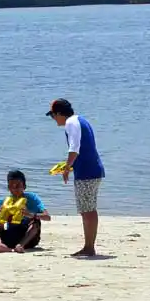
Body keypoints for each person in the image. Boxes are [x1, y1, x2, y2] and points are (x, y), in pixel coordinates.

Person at [47, 98, 106, 257]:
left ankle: (89, 247)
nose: (54, 120)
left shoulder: (70, 123)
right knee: (88, 209)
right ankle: (89, 246)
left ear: (59, 113)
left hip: (87, 172)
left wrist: (67, 168)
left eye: (53, 116)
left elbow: (74, 148)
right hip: (92, 169)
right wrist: (69, 165)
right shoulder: (80, 120)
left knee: (87, 210)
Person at [0, 169, 50, 254]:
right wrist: (1, 219)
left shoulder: (32, 198)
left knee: (36, 222)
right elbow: (1, 229)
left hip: (29, 239)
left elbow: (47, 217)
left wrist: (31, 214)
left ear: (24, 186)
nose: (14, 189)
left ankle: (20, 246)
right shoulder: (3, 202)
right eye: (11, 186)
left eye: (18, 185)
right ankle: (2, 246)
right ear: (8, 187)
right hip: (11, 237)